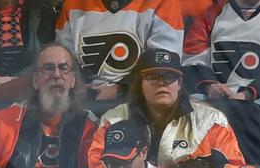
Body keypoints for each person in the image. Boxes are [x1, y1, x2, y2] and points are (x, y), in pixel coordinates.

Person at [89, 49, 246, 168]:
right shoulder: (114, 120)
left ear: (179, 83)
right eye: (153, 77)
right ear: (140, 83)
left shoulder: (211, 121)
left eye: (169, 77)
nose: (161, 84)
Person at [182, 0, 260, 159]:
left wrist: (248, 94)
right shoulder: (210, 14)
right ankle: (196, 165)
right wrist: (210, 86)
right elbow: (192, 60)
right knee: (191, 105)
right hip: (214, 94)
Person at [56, 0, 184, 101]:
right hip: (84, 102)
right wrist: (78, 87)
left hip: (141, 101)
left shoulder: (164, 2)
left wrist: (121, 89)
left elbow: (164, 69)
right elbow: (63, 61)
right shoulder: (73, 3)